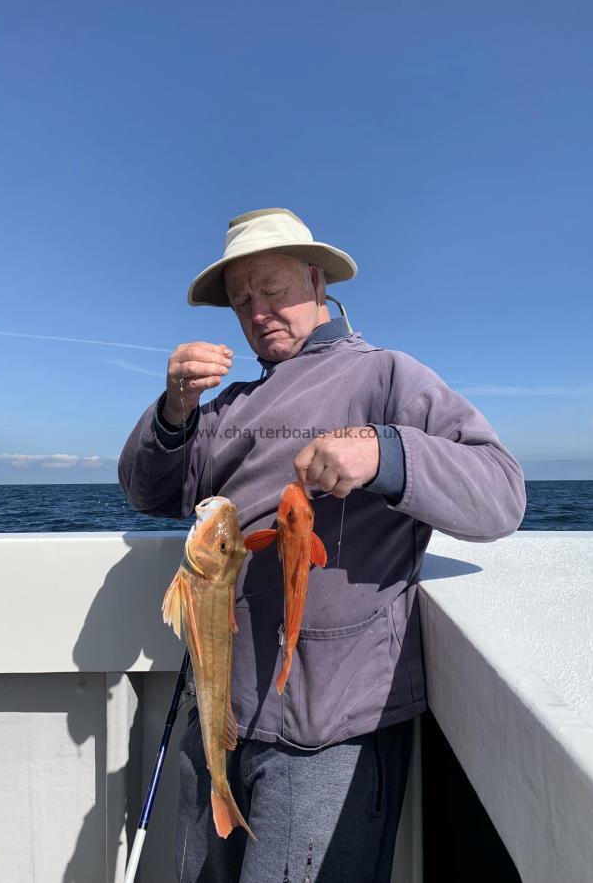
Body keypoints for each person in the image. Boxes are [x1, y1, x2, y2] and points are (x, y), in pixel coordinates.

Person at [119, 207, 526, 882]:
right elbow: (148, 492)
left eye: (271, 290)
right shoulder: (226, 408)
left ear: (316, 282)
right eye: (241, 300)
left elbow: (500, 494)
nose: (256, 311)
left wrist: (385, 454)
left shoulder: (386, 376)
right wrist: (172, 411)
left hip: (331, 729)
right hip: (217, 710)